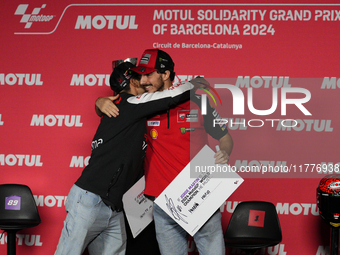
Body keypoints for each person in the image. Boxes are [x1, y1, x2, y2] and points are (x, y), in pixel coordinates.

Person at [55, 59, 199, 255]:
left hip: (114, 207)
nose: (147, 80)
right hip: (90, 199)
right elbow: (172, 96)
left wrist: (98, 103)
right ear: (132, 82)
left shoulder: (129, 108)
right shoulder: (131, 103)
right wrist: (196, 84)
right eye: (141, 76)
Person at [96, 49, 233, 255]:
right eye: (141, 75)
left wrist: (224, 151)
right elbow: (116, 108)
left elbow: (225, 137)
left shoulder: (199, 102)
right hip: (161, 200)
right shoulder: (143, 107)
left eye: (149, 74)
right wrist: (99, 103)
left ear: (165, 74)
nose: (143, 81)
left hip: (199, 194)